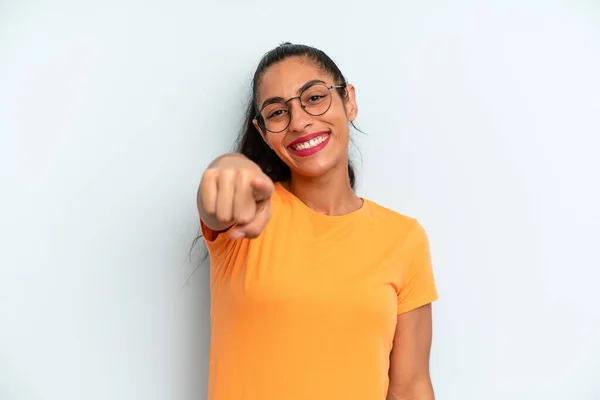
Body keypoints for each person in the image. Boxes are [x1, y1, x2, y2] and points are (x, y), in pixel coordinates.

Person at [196, 42, 439, 400]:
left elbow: (411, 385)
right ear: (263, 133)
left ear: (349, 101)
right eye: (277, 112)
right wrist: (231, 169)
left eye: (313, 97)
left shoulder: (403, 238)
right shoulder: (245, 219)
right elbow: (219, 190)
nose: (299, 121)